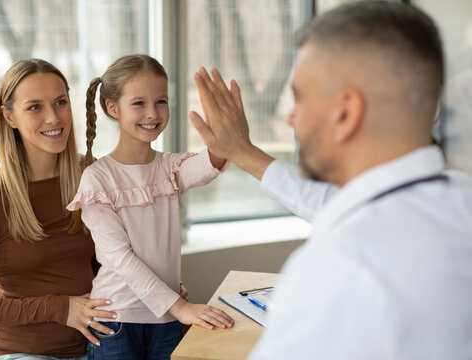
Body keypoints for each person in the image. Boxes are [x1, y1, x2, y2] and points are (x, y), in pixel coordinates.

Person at [188, 2, 472, 359]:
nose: (291, 118)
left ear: (346, 113)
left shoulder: (340, 269)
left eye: (301, 98)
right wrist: (242, 151)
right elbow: (339, 206)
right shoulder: (460, 205)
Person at [0, 58, 118, 359]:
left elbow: (109, 259)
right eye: (35, 107)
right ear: (9, 117)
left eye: (60, 102)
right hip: (13, 351)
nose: (53, 118)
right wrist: (60, 308)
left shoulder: (90, 175)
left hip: (92, 346)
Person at [66, 54, 234, 360]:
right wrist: (181, 307)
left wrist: (224, 130)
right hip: (115, 321)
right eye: (139, 103)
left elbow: (210, 163)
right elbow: (122, 259)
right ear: (112, 108)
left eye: (161, 101)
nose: (152, 113)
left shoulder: (169, 167)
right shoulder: (97, 179)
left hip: (166, 319)